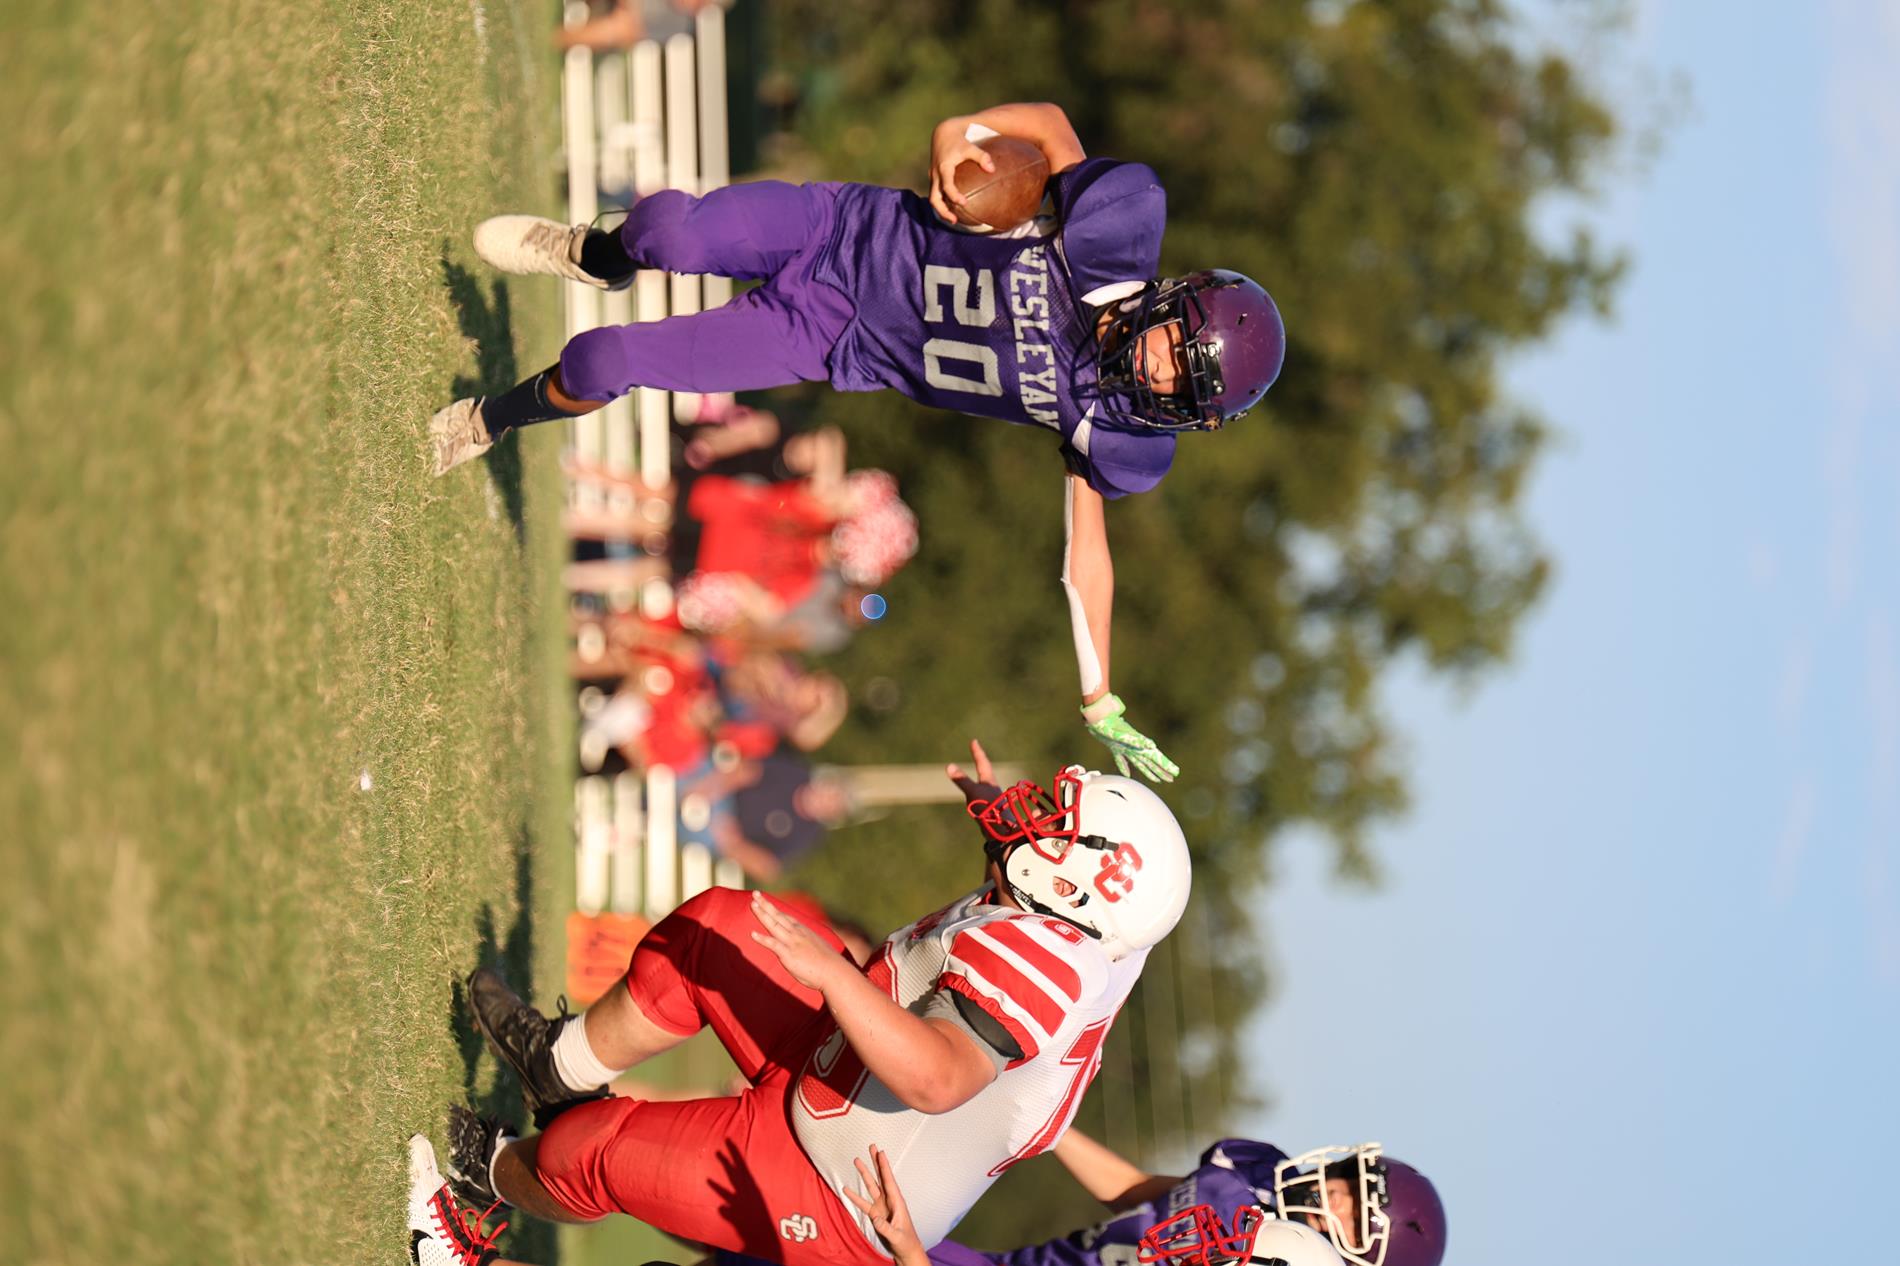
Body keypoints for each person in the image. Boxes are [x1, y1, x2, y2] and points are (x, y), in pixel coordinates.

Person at [429, 101, 1287, 783]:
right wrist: (960, 135)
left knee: (604, 358)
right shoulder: (1114, 234)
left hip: (826, 337)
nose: (1162, 368)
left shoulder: (1117, 430)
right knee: (666, 233)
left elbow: (1087, 555)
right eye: (1177, 345)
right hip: (842, 230)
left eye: (1184, 384)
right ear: (1175, 298)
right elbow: (1053, 127)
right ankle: (596, 251)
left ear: (1191, 416)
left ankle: (486, 421)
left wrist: (1099, 697)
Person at [439, 739, 1193, 1266]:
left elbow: (938, 1080)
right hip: (837, 1076)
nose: (1037, 820)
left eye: (1058, 826)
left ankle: (490, 1172)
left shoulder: (1051, 959)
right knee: (720, 931)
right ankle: (558, 1066)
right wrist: (999, 825)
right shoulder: (1068, 926)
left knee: (589, 1152)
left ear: (1075, 886)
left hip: (836, 1188)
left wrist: (833, 978)